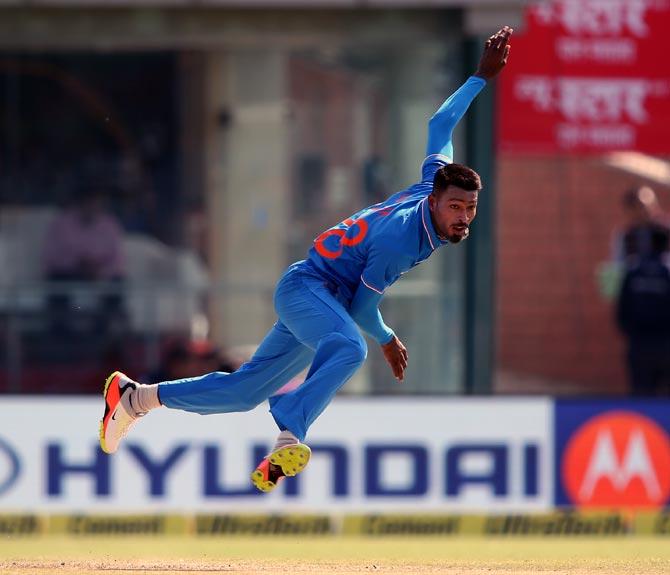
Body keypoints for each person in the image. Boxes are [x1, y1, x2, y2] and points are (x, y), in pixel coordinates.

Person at [99, 26, 513, 492]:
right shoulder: (402, 240)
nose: (463, 218)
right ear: (437, 202)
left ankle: (135, 398)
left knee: (242, 393)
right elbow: (360, 310)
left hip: (318, 297)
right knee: (352, 346)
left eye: (470, 209)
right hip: (309, 291)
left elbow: (440, 124)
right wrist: (387, 337)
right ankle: (290, 433)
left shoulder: (431, 182)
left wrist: (480, 77)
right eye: (455, 207)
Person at [44, 184, 126, 333]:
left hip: (100, 275)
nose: (93, 207)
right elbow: (51, 258)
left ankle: (102, 331)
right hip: (69, 274)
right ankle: (61, 334)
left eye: (97, 203)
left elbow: (117, 260)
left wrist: (100, 270)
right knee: (56, 284)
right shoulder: (62, 223)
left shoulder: (110, 225)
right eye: (89, 202)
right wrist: (77, 263)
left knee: (119, 284)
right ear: (80, 203)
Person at [616, 225, 670, 396]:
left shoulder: (633, 273)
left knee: (641, 394)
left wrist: (631, 332)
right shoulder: (666, 274)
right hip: (663, 343)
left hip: (639, 343)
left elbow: (622, 310)